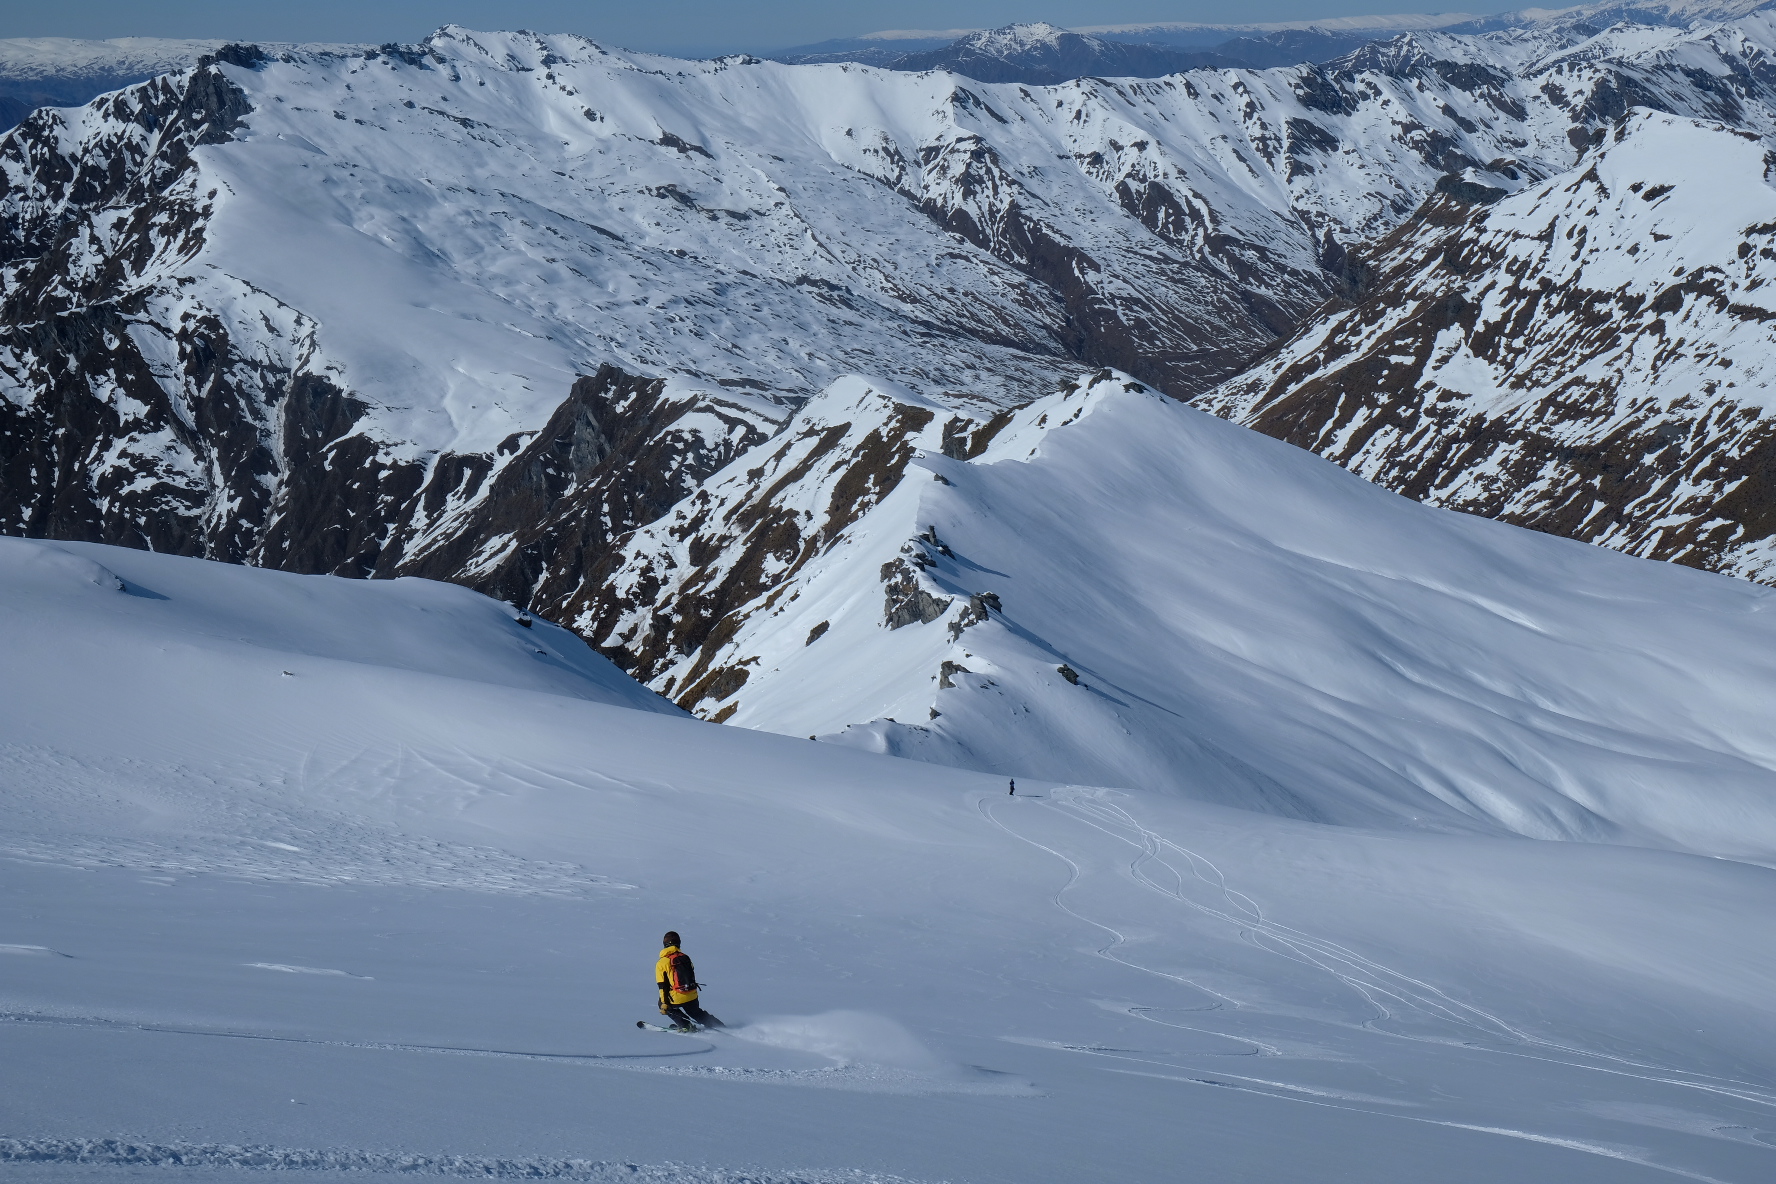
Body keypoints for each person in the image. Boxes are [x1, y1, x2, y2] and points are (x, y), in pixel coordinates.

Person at [656, 931, 724, 1031]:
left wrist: (664, 1004)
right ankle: (718, 1025)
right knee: (695, 1012)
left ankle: (685, 1025)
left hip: (677, 995)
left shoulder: (662, 962)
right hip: (692, 993)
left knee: (662, 1003)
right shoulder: (685, 957)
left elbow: (663, 986)